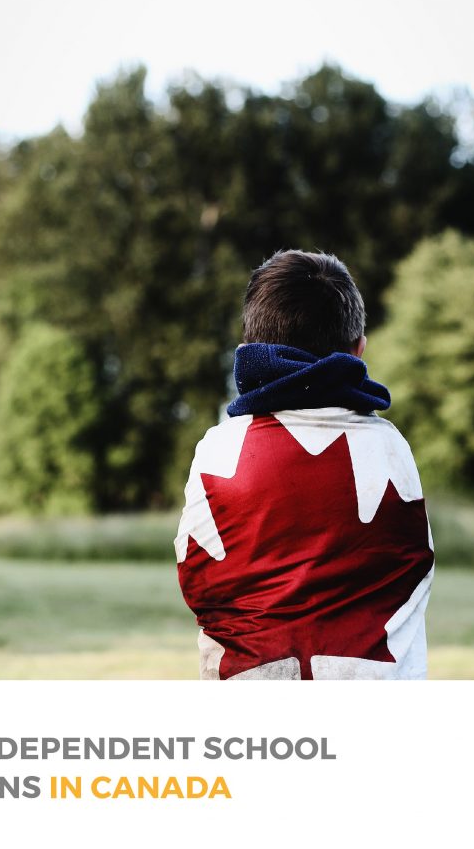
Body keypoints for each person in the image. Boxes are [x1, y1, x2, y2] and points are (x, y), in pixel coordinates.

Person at [174, 249, 435, 680]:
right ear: (359, 350)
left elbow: (200, 587)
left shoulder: (217, 451)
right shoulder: (390, 448)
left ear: (249, 350)